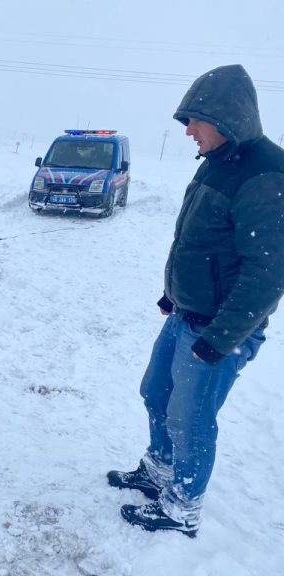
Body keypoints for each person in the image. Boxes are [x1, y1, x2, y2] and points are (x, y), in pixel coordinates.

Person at [107, 64, 284, 537]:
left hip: (216, 328)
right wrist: (173, 294)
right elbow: (199, 239)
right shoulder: (219, 162)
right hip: (187, 315)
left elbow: (268, 271)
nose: (188, 131)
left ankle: (183, 504)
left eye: (194, 121)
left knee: (190, 418)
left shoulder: (267, 173)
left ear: (224, 118)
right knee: (156, 393)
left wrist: (219, 340)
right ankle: (160, 472)